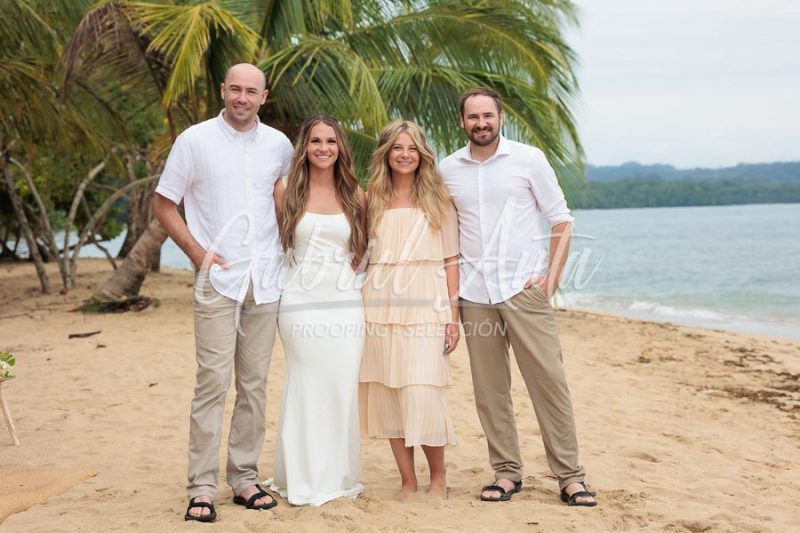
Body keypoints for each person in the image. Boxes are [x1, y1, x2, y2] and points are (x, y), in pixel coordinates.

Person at [439, 87, 597, 506]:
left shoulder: (529, 159)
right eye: (473, 117)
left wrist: (550, 280)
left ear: (500, 117)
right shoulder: (447, 169)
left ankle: (570, 477)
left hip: (524, 291)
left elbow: (561, 220)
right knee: (490, 392)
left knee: (549, 383)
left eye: (487, 115)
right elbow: (443, 233)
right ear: (462, 122)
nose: (481, 123)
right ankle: (506, 473)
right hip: (475, 295)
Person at [153, 63, 293, 522]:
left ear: (263, 97)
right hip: (217, 281)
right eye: (235, 89)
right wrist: (196, 253)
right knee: (211, 383)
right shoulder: (194, 140)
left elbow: (287, 203)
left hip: (266, 281)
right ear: (222, 90)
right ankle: (201, 487)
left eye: (251, 91)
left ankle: (244, 479)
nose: (242, 98)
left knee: (254, 386)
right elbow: (164, 202)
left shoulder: (279, 145)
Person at [269, 114, 368, 506]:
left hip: (344, 304)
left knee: (340, 386)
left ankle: (336, 476)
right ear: (304, 148)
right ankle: (302, 478)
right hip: (299, 301)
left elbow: (360, 253)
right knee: (306, 383)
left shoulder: (355, 195)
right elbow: (278, 244)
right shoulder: (286, 192)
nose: (323, 148)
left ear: (341, 146)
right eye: (315, 141)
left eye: (330, 141)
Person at [359, 120, 460, 500]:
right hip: (379, 304)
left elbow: (451, 260)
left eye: (412, 148)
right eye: (398, 148)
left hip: (427, 304)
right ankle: (407, 480)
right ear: (386, 153)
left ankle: (437, 479)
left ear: (422, 154)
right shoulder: (372, 199)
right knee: (390, 390)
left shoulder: (439, 199)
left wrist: (454, 317)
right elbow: (360, 255)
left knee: (423, 390)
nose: (405, 155)